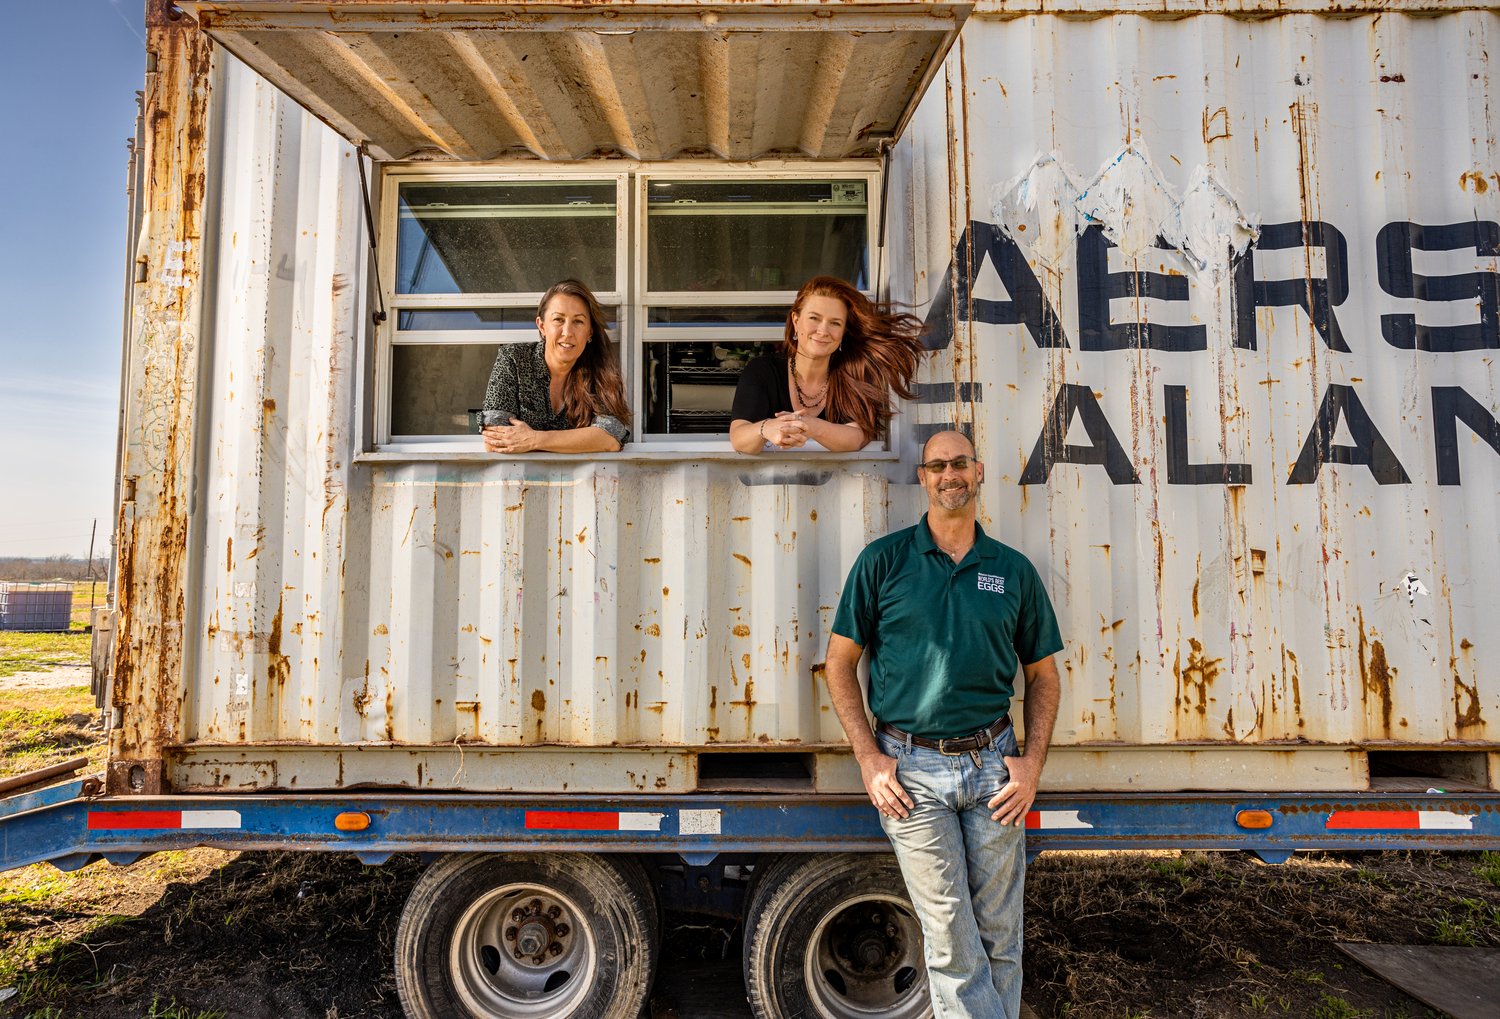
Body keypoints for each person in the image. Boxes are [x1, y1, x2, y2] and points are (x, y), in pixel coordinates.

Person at [823, 429, 1064, 1019]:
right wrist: (868, 758)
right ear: (923, 478)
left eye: (960, 463)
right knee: (952, 936)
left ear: (978, 472)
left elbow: (1044, 676)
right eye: (937, 465)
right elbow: (839, 664)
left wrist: (1031, 764)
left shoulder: (1010, 570)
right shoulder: (884, 562)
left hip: (995, 768)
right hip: (911, 771)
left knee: (1000, 933)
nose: (949, 474)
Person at [729, 276, 924, 454]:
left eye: (835, 323)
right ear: (796, 321)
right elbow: (739, 437)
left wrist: (809, 425)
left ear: (843, 332)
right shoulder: (763, 370)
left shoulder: (852, 373)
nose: (823, 331)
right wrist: (767, 428)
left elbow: (856, 438)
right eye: (814, 318)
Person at [481, 279, 631, 454]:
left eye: (578, 322)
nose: (567, 332)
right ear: (542, 326)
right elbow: (494, 436)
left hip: (583, 480)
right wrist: (581, 440)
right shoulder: (513, 358)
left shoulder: (602, 373)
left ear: (590, 332)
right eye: (558, 319)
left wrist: (534, 439)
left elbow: (611, 437)